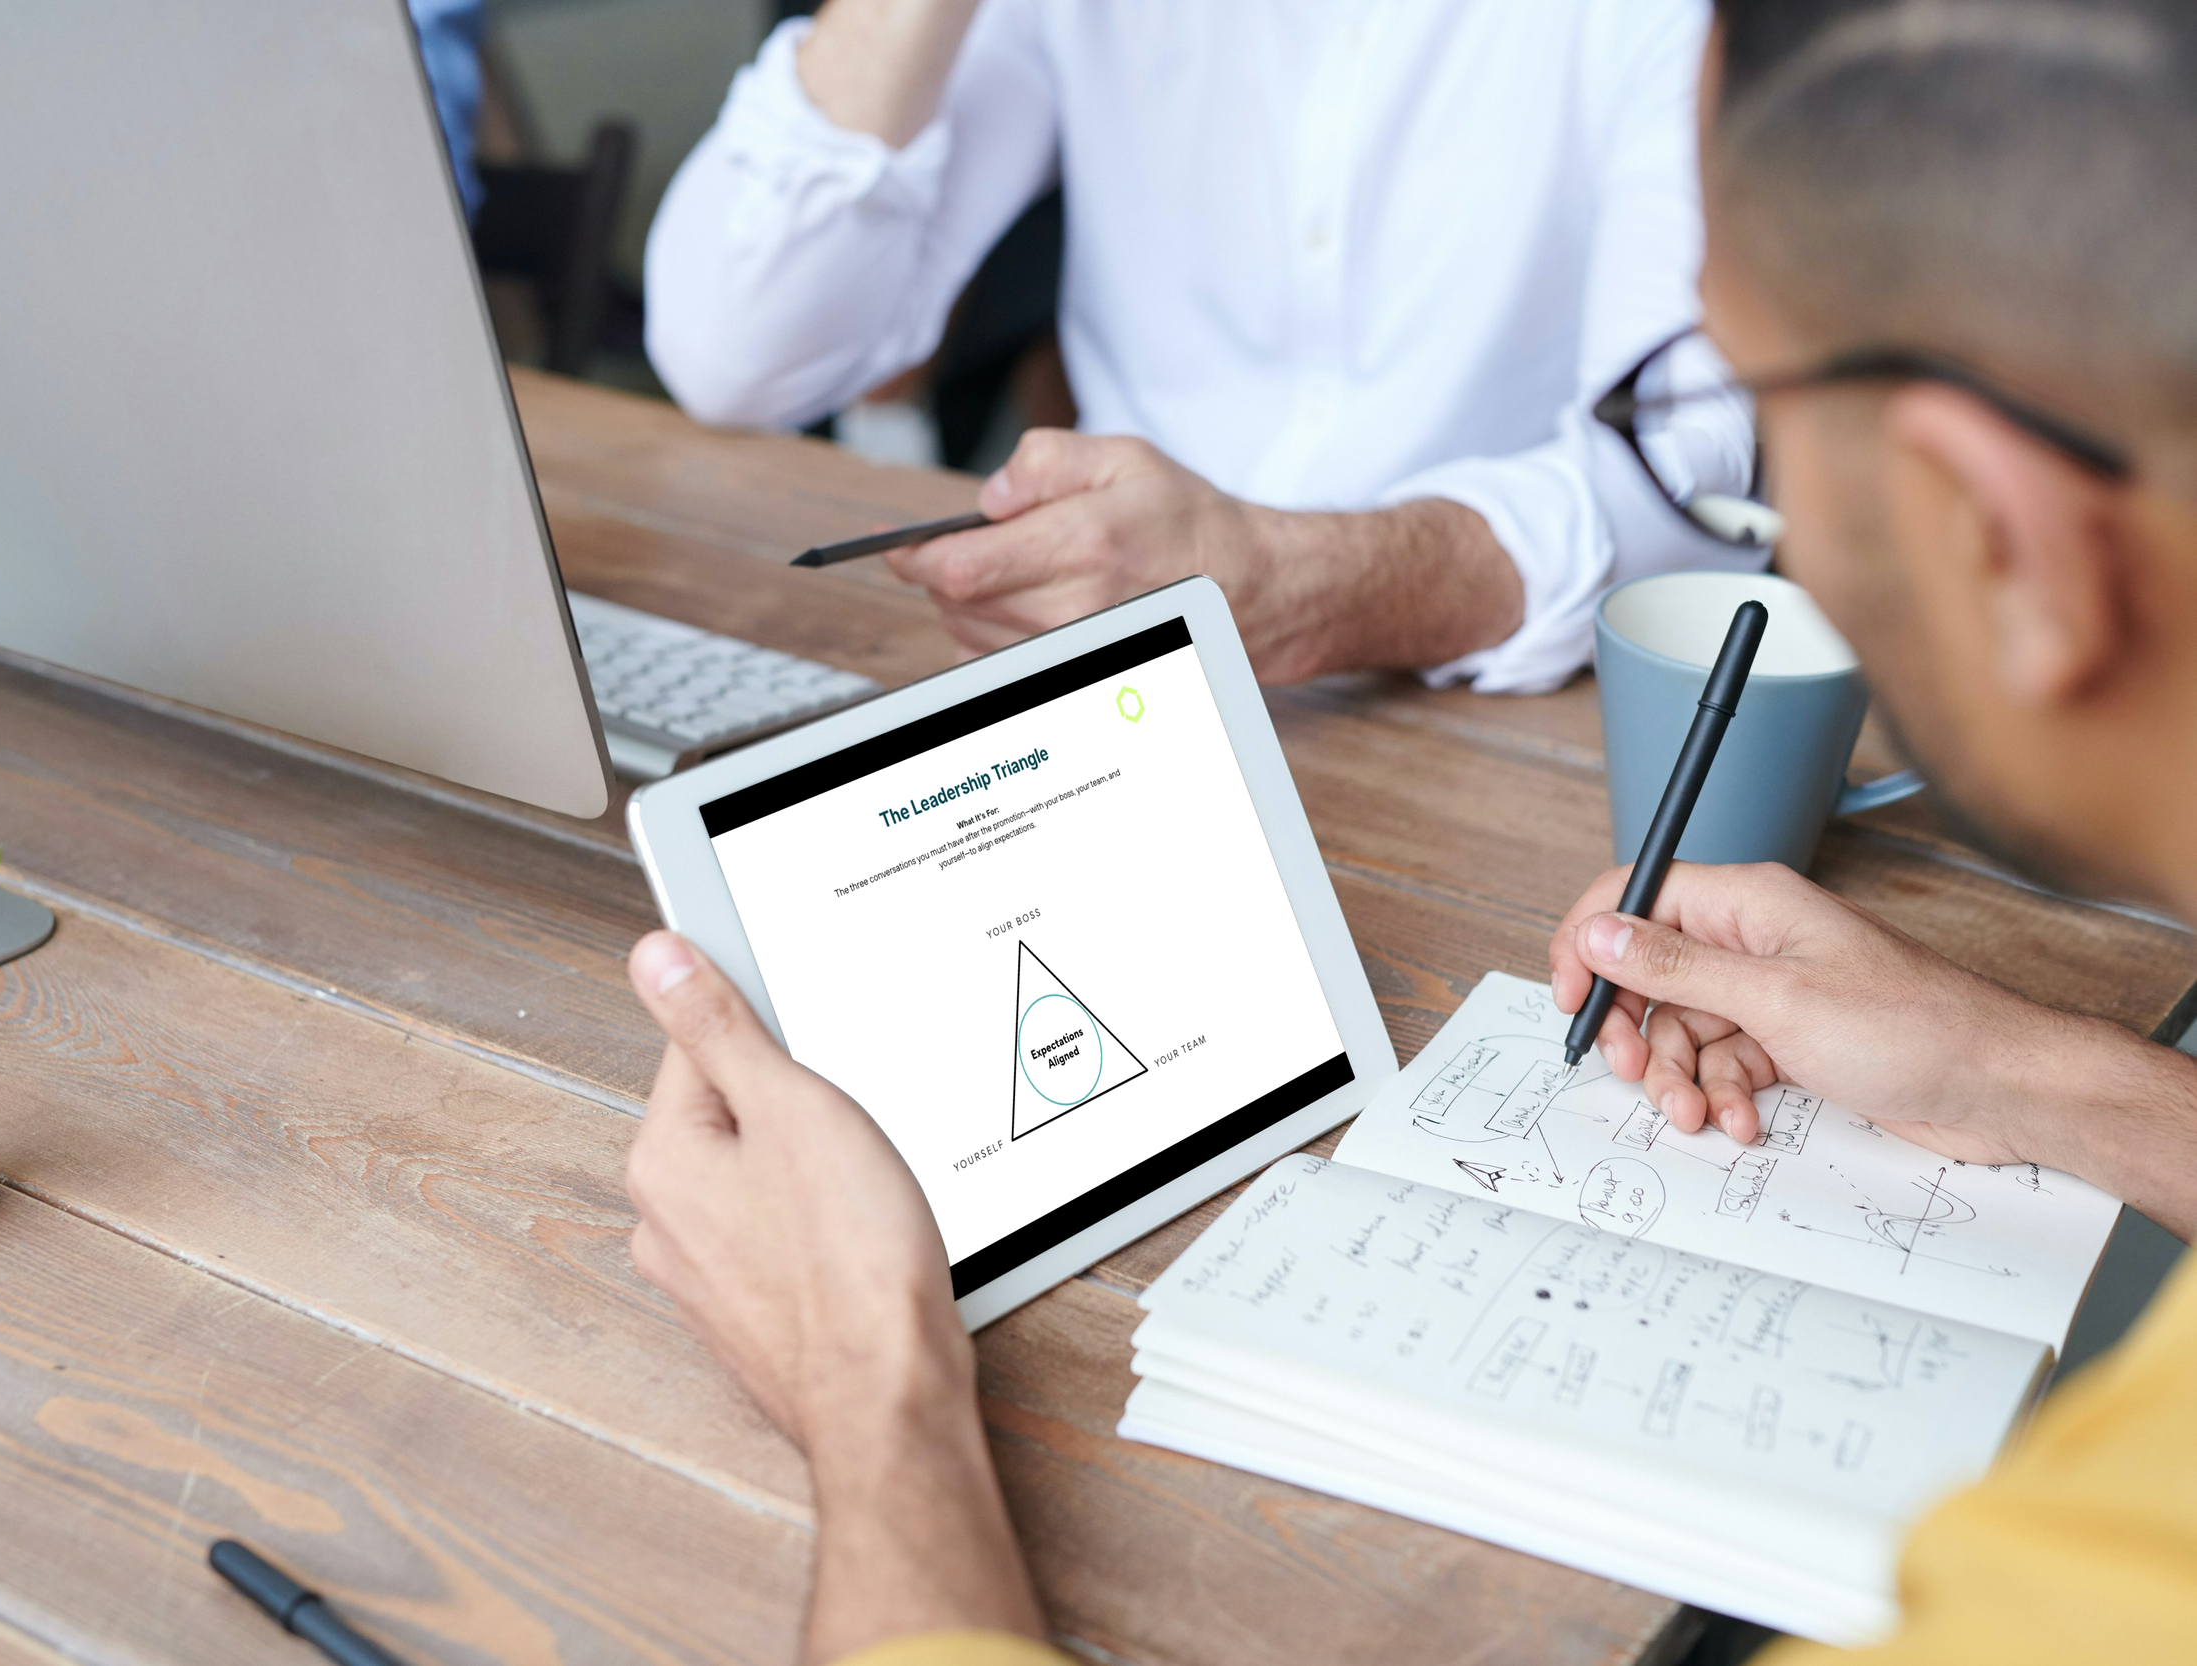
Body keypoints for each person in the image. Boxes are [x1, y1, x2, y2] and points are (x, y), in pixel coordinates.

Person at [618, 0, 2197, 1659]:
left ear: (2005, 539)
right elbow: (735, 348)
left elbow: (1665, 521)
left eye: (1743, 417)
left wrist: (868, 1367)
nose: (1746, 484)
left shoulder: (2082, 1574)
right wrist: (2045, 1076)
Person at [644, 0, 1754, 693]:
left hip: (1533, 735)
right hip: (1113, 704)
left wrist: (1305, 582)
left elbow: (1698, 472)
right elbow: (740, 348)